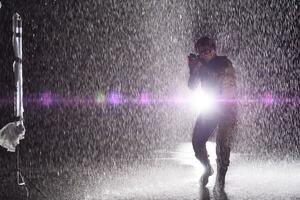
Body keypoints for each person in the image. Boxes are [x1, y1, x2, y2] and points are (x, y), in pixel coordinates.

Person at [188, 36, 237, 196]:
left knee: (222, 148)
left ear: (214, 49)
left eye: (207, 50)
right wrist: (193, 69)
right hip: (210, 109)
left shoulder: (224, 63)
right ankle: (207, 168)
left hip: (226, 110)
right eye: (201, 51)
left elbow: (227, 83)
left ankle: (220, 179)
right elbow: (192, 86)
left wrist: (201, 66)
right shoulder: (201, 66)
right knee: (197, 141)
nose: (204, 53)